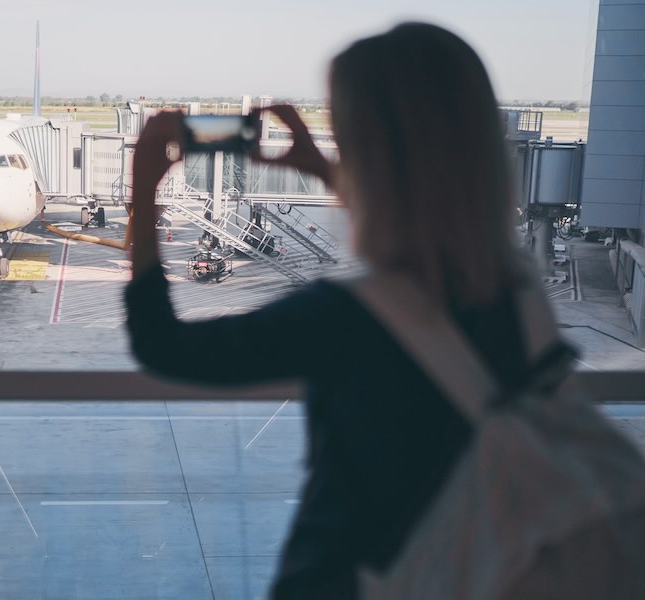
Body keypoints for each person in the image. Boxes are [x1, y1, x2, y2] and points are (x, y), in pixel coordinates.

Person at [125, 23, 536, 599]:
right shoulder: (520, 298)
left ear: (366, 154)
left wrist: (143, 191)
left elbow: (160, 345)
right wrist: (324, 169)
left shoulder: (352, 320)